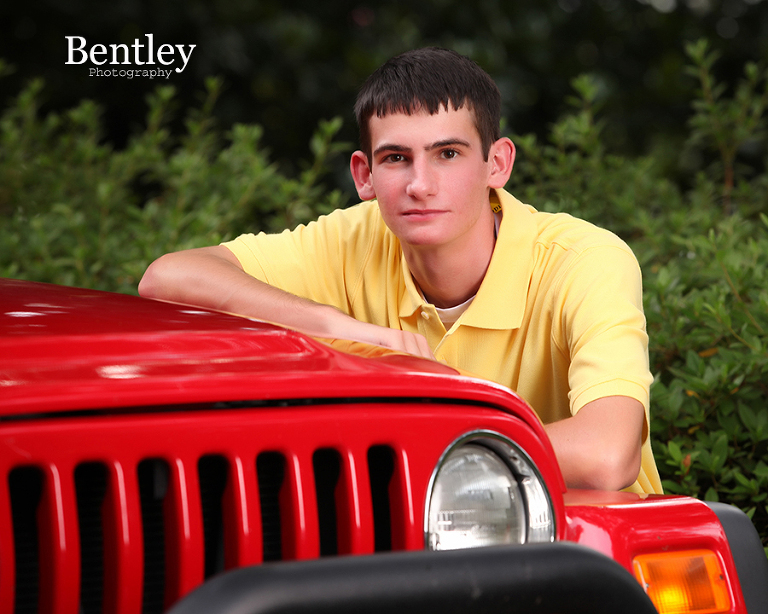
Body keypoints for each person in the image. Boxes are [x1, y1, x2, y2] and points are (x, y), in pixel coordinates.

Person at [139, 47, 661, 494]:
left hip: (583, 546)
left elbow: (606, 456)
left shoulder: (584, 260)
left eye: (448, 153)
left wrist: (423, 440)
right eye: (396, 159)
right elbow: (167, 279)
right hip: (417, 541)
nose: (420, 184)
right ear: (364, 175)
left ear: (496, 164)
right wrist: (334, 326)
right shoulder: (354, 238)